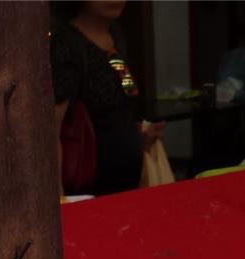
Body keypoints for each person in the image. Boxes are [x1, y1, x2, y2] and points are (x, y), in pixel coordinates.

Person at [50, 1, 164, 196]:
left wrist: (139, 133)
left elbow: (123, 95)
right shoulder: (66, 44)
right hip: (91, 188)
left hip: (127, 183)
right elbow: (52, 127)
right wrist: (58, 196)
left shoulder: (116, 35)